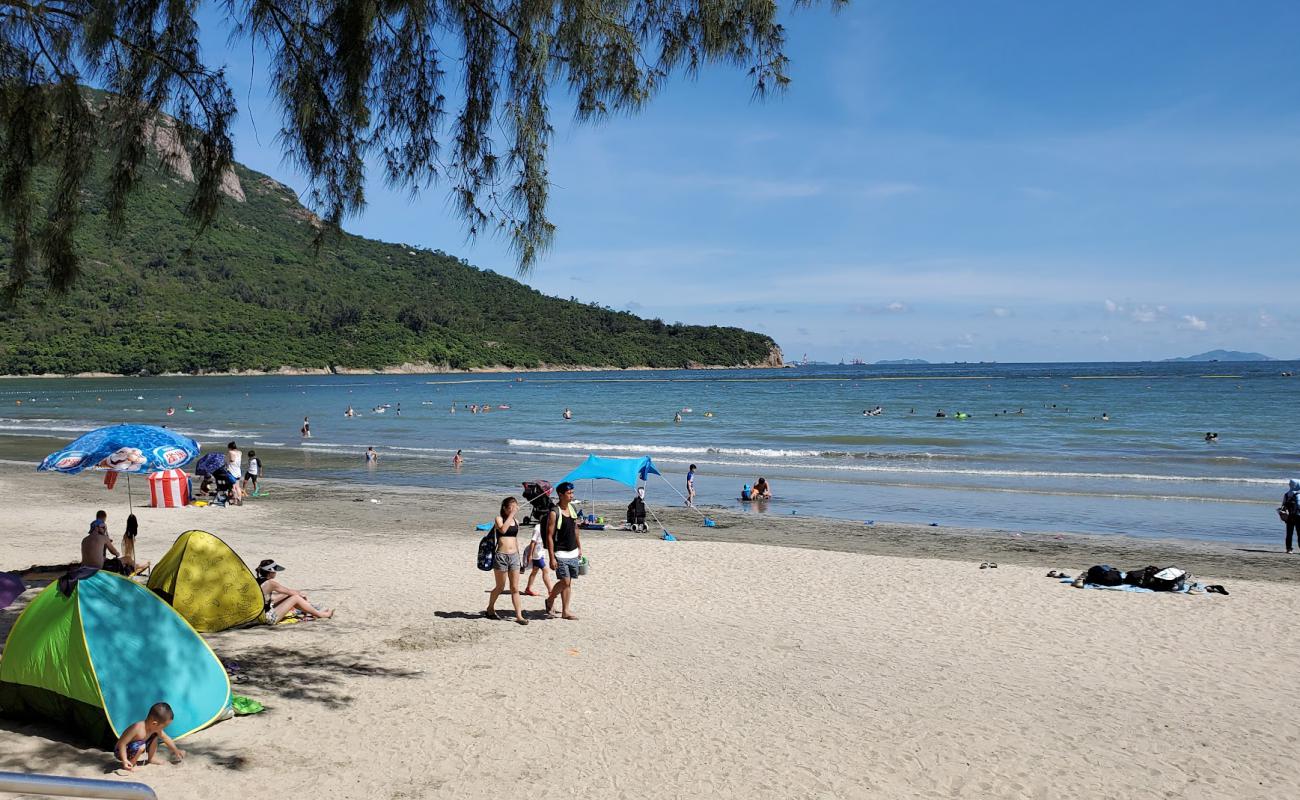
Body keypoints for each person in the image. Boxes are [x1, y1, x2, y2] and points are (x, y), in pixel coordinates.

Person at [485, 497, 528, 625]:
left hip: (514, 556)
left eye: (515, 506)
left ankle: (519, 616)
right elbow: (503, 530)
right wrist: (512, 514)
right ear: (505, 508)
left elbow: (515, 540)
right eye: (511, 507)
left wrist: (520, 560)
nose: (514, 509)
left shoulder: (516, 521)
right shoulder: (499, 519)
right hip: (501, 556)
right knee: (500, 587)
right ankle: (490, 608)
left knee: (514, 587)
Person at [545, 483, 583, 620]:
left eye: (572, 493)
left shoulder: (572, 509)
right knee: (565, 581)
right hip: (560, 552)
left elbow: (576, 529)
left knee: (569, 583)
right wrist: (551, 557)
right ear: (561, 495)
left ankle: (565, 611)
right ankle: (550, 599)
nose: (572, 495)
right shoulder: (554, 512)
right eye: (569, 493)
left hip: (572, 551)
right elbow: (549, 536)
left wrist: (579, 547)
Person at [255, 559, 334, 621]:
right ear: (271, 572)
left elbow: (271, 599)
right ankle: (321, 614)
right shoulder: (271, 583)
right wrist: (300, 594)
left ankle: (309, 609)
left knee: (288, 595)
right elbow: (291, 592)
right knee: (295, 597)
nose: (276, 573)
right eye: (275, 571)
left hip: (258, 616)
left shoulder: (257, 581)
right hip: (267, 618)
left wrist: (289, 595)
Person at [115, 702, 185, 771]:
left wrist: (176, 750)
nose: (163, 729)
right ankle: (131, 763)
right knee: (142, 746)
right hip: (121, 751)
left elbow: (165, 738)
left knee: (155, 736)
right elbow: (122, 744)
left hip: (135, 748)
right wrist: (124, 760)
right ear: (154, 723)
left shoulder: (154, 728)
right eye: (163, 727)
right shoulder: (137, 728)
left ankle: (151, 758)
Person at [522, 521, 554, 597]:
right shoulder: (538, 528)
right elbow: (533, 542)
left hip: (541, 552)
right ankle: (550, 591)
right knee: (545, 570)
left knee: (535, 571)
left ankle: (528, 589)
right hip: (536, 554)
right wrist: (530, 555)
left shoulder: (548, 527)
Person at [1283, 479, 1300, 554]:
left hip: (1289, 516)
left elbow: (1283, 505)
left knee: (1289, 533)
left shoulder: (1286, 494)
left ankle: (1288, 549)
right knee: (1299, 533)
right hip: (1298, 516)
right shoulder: (1299, 494)